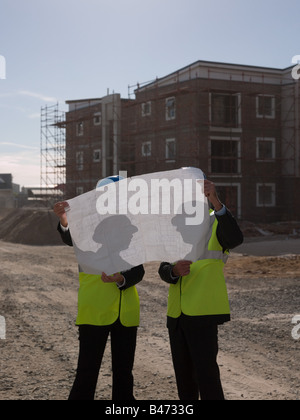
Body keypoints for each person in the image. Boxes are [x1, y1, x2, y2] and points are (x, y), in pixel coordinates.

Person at [54, 176, 145, 401]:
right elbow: (70, 238)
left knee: (124, 373)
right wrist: (65, 220)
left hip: (125, 312)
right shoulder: (86, 226)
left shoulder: (131, 230)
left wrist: (121, 279)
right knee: (87, 371)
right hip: (94, 311)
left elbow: (139, 270)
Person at [158, 179, 244, 400]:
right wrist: (174, 271)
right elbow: (163, 269)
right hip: (176, 315)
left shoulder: (215, 224)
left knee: (206, 375)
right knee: (183, 378)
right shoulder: (174, 230)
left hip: (203, 313)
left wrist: (215, 200)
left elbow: (235, 238)